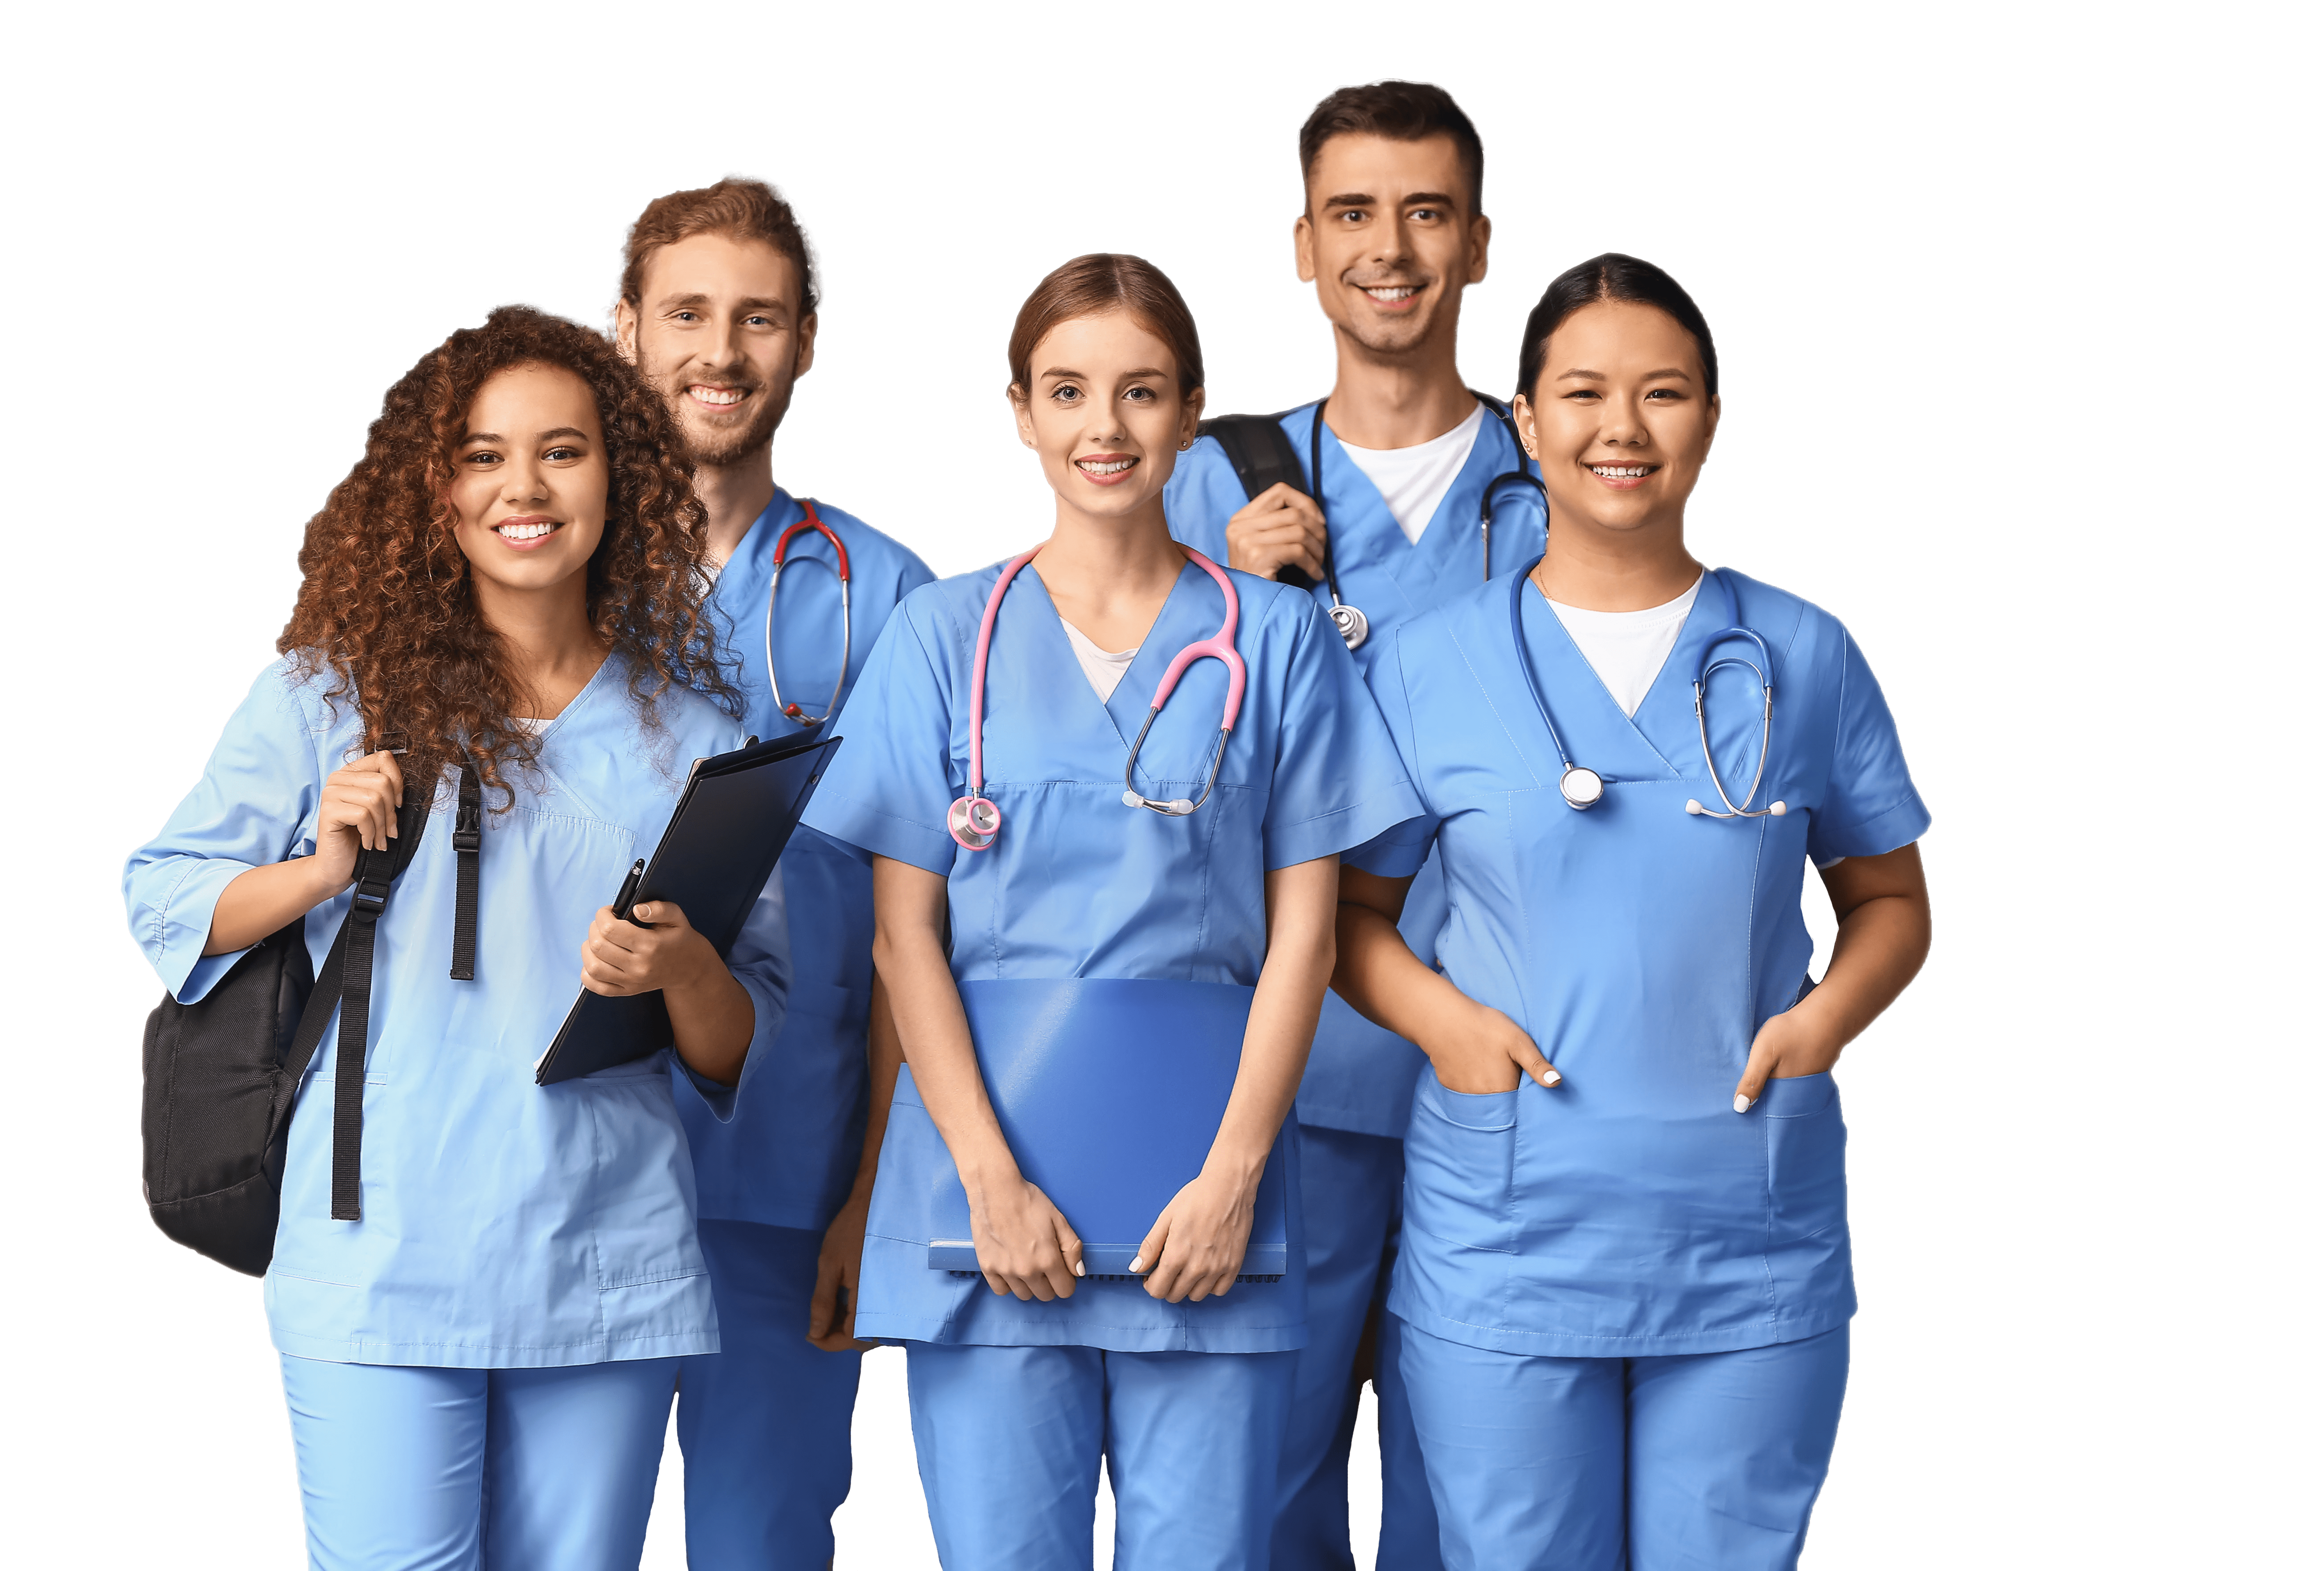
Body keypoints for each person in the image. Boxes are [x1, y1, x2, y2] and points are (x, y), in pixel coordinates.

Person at [121, 303, 791, 1571]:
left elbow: (733, 1046)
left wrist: (682, 966)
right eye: (482, 456)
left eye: (564, 450)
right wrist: (318, 867)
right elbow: (164, 897)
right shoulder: (327, 698)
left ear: (624, 479)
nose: (522, 488)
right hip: (379, 1259)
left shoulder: (695, 740)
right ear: (434, 492)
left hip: (603, 1263)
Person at [799, 253, 1423, 1571]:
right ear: (1019, 411)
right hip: (987, 1200)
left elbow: (1305, 934)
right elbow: (903, 936)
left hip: (1209, 1204)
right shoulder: (937, 635)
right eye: (1068, 391)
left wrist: (1235, 1182)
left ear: (1191, 415)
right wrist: (987, 1184)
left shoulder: (1277, 639)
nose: (1104, 428)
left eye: (1140, 393)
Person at [1334, 254, 1934, 1569]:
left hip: (1747, 1236)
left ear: (1710, 421)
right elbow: (1351, 923)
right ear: (1528, 422)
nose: (1622, 429)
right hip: (1505, 1234)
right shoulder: (1428, 668)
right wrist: (1446, 1027)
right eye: (1584, 394)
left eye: (1662, 394)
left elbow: (1888, 899)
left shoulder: (1802, 653)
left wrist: (1826, 1017)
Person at [1161, 78, 1545, 1571]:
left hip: (1507, 1073)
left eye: (1427, 213)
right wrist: (1222, 593)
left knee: (1486, 1499)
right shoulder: (1207, 482)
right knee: (1256, 1487)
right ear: (1304, 252)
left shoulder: (1559, 478)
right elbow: (1121, 770)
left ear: (1477, 245)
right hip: (1280, 1080)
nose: (1391, 248)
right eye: (1354, 216)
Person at [609, 173, 936, 1570]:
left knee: (766, 1542)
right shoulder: (539, 556)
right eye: (686, 313)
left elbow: (924, 930)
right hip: (576, 1167)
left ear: (808, 339)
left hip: (787, 1174)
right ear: (623, 333)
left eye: (759, 318)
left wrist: (878, 1189)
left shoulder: (889, 592)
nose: (720, 353)